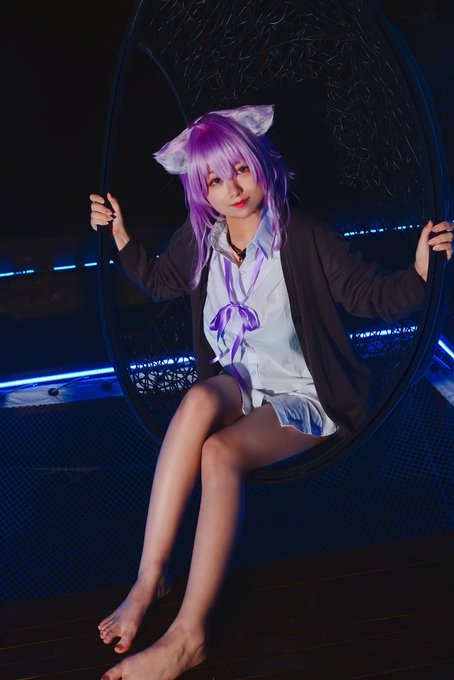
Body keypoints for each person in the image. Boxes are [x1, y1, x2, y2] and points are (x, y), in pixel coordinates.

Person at [89, 104, 452, 680]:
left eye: (240, 170)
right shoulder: (202, 239)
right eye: (214, 179)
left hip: (305, 394)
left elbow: (370, 297)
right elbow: (159, 281)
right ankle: (149, 577)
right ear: (200, 190)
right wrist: (119, 232)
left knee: (219, 453)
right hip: (241, 385)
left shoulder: (301, 235)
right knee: (196, 399)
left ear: (263, 165)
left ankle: (188, 636)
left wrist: (421, 272)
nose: (232, 189)